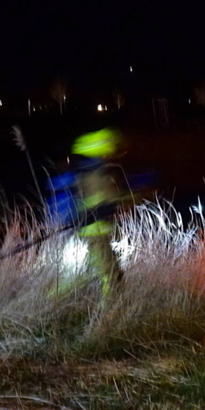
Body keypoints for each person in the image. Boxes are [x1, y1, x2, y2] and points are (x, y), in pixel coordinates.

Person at [64, 128, 126, 305]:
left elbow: (105, 200)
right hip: (94, 231)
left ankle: (50, 300)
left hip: (97, 229)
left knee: (105, 272)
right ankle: (109, 311)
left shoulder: (90, 170)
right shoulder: (93, 173)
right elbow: (99, 201)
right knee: (110, 275)